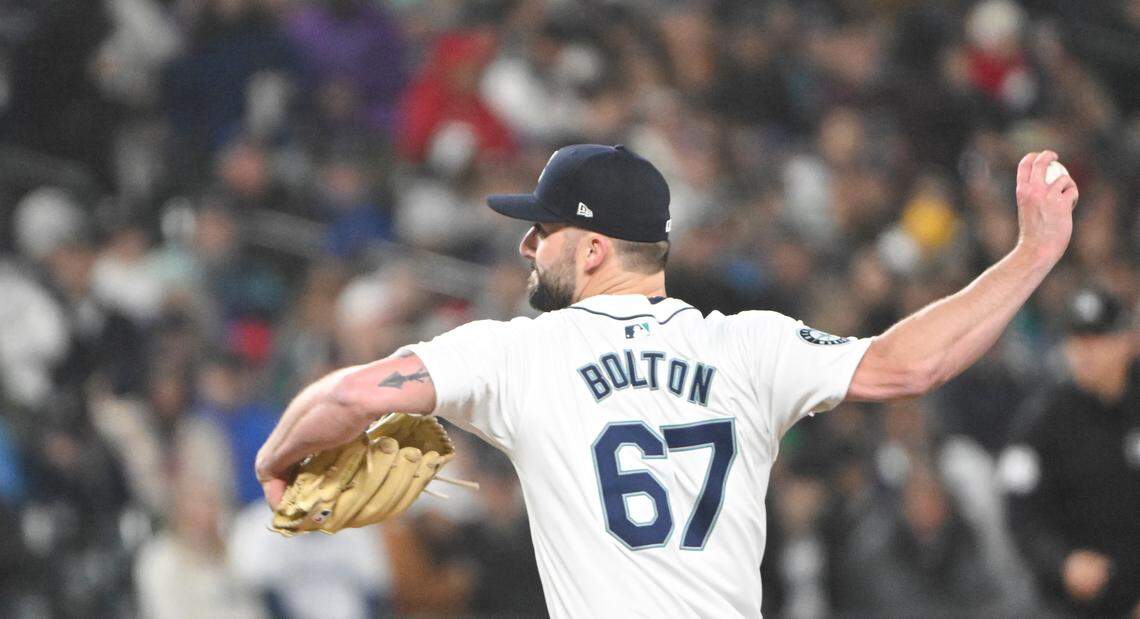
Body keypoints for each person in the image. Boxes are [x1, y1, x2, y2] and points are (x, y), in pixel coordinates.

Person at [256, 144, 1078, 617]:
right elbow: (912, 364)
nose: (525, 247)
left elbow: (349, 396)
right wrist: (1032, 255)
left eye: (540, 229)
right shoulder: (752, 345)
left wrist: (278, 459)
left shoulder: (517, 355)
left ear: (592, 247)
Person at [1000, 288, 1140, 617]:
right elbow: (1020, 512)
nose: (1085, 352)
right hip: (1072, 602)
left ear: (1127, 342)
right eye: (1077, 340)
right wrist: (1062, 562)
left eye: (1098, 339)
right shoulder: (1041, 422)